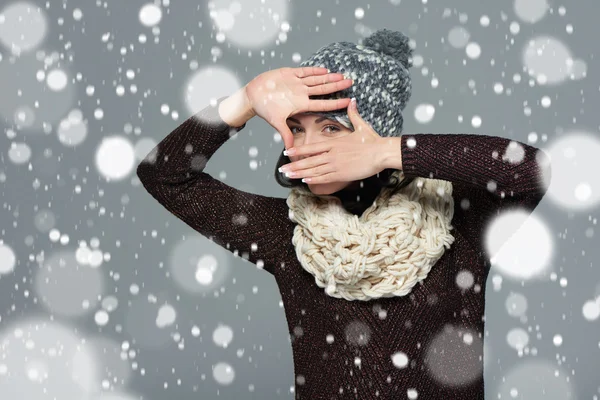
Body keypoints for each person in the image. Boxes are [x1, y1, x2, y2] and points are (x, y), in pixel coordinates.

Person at [137, 28, 551, 399]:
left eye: (331, 127)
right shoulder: (288, 234)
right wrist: (244, 101)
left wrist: (389, 151)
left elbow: (532, 171)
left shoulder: (458, 221)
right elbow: (164, 174)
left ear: (373, 132)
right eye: (296, 127)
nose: (304, 145)